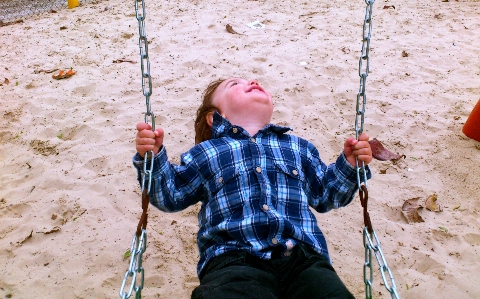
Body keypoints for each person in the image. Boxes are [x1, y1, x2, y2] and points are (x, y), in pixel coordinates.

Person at [133, 77, 373, 299]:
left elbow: (326, 195)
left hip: (304, 259)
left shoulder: (299, 148)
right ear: (215, 116)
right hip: (234, 260)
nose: (252, 82)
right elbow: (170, 195)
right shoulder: (207, 153)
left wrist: (350, 166)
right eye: (234, 84)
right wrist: (152, 160)